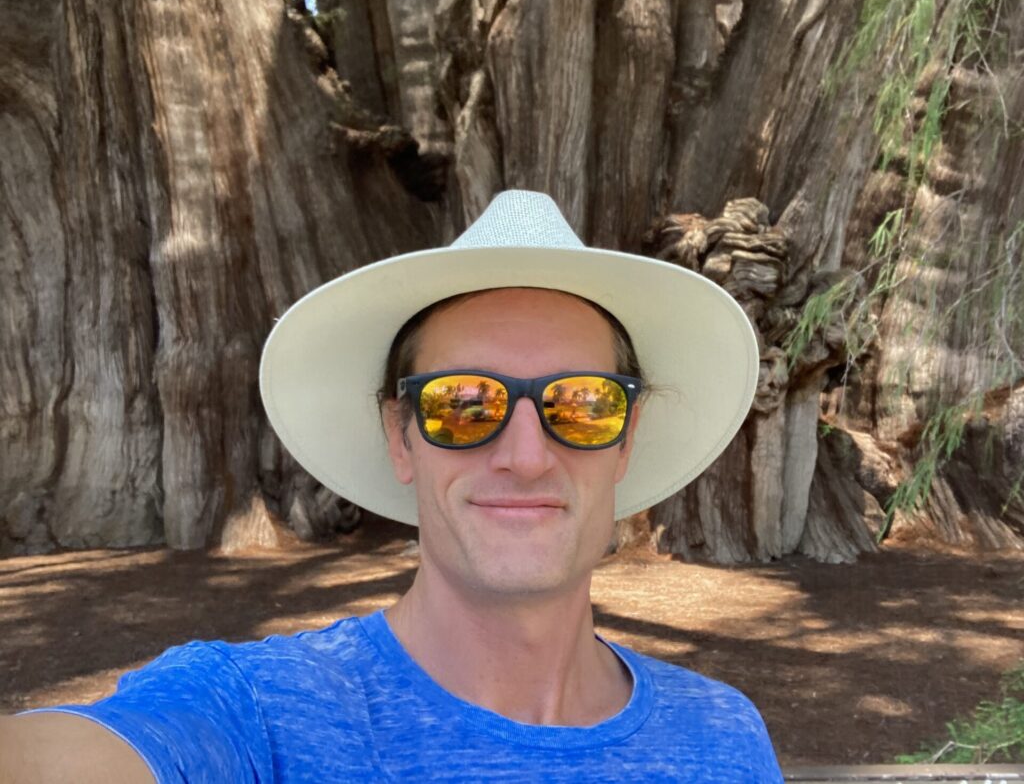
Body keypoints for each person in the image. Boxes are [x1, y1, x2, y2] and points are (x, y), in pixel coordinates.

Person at [1, 191, 783, 782]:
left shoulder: (721, 738)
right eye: (462, 403)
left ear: (626, 439)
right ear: (398, 434)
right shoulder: (262, 712)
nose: (525, 454)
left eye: (581, 404)